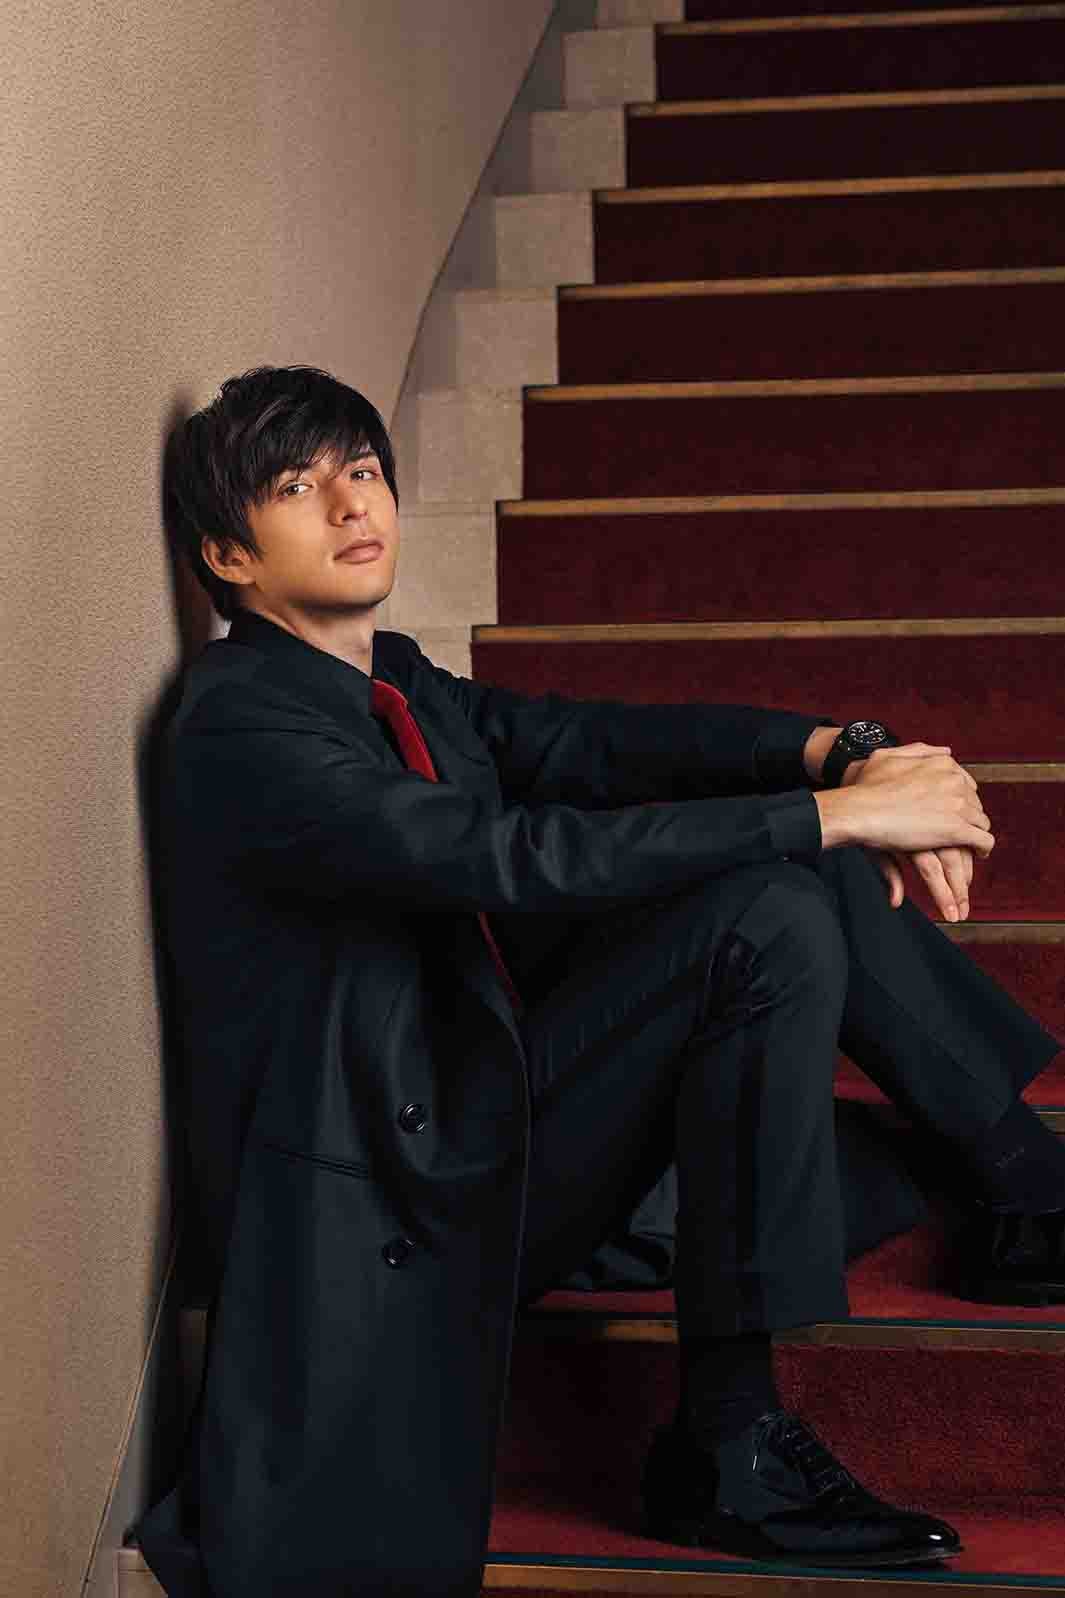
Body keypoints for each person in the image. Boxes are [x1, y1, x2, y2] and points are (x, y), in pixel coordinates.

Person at [137, 364, 1065, 1598]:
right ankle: (734, 1440)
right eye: (298, 487)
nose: (352, 503)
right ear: (227, 553)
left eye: (360, 469)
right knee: (774, 895)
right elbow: (509, 856)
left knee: (801, 860)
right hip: (402, 1190)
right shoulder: (241, 721)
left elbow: (589, 742)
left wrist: (843, 753)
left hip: (482, 1108)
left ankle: (1026, 1184)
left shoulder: (391, 679)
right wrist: (834, 812)